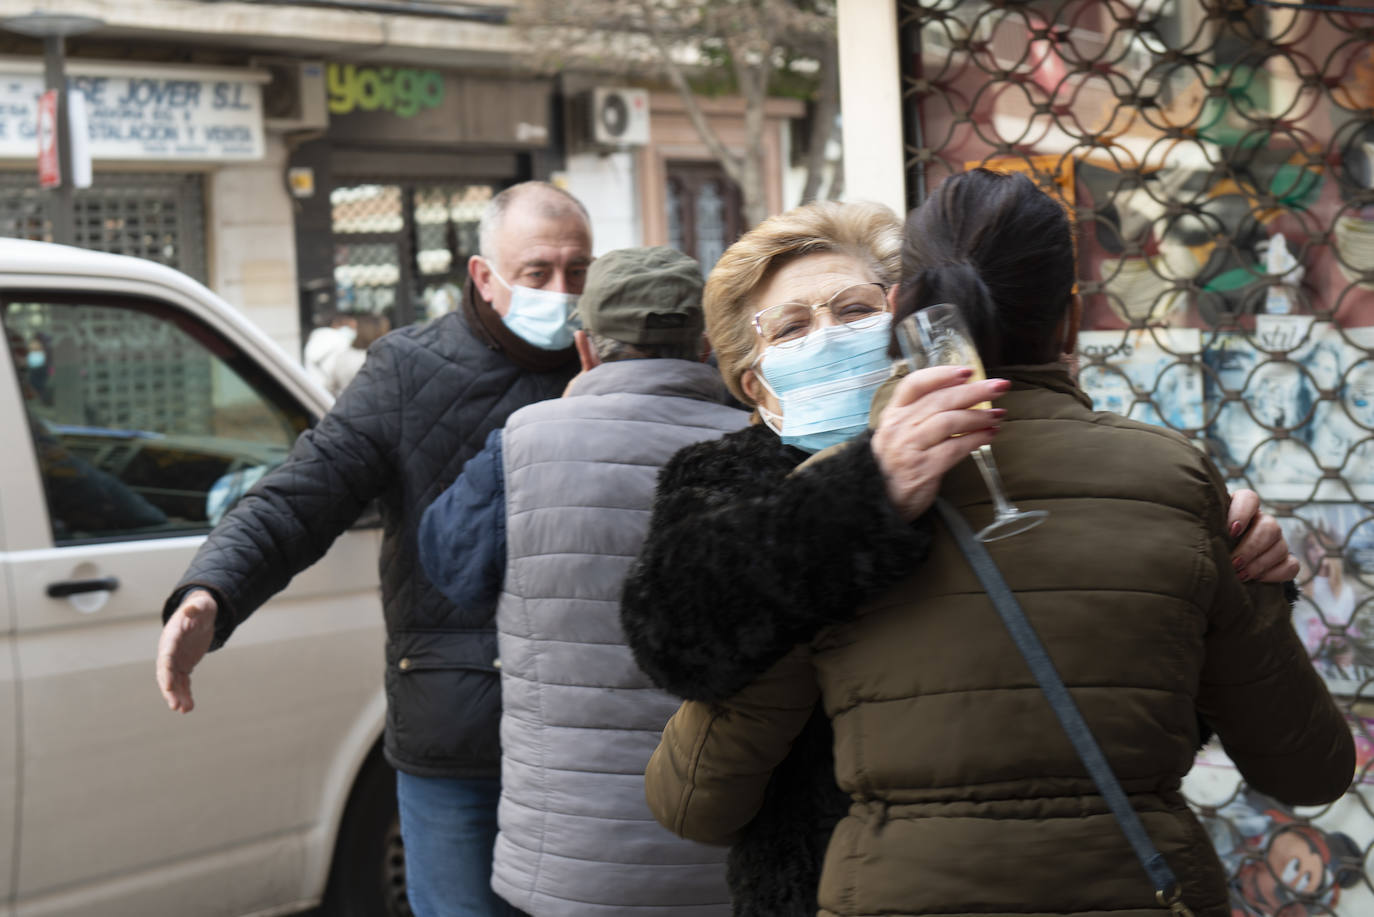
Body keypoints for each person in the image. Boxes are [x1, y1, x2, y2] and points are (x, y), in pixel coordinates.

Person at [637, 170, 1352, 917]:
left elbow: (1156, 702)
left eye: (854, 311)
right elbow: (690, 712)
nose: (830, 340)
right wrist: (839, 519)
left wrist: (1239, 576)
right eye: (791, 329)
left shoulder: (1153, 484)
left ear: (902, 315)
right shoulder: (767, 503)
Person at [154, 181, 593, 917]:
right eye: (537, 272)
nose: (561, 291)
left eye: (577, 271)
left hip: (589, 735)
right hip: (455, 737)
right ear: (484, 276)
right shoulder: (408, 370)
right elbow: (305, 492)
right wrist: (213, 590)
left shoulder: (612, 366)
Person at [418, 246, 741, 917]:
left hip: (565, 860)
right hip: (728, 851)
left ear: (586, 348)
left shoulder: (519, 445)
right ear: (706, 346)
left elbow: (451, 567)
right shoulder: (760, 445)